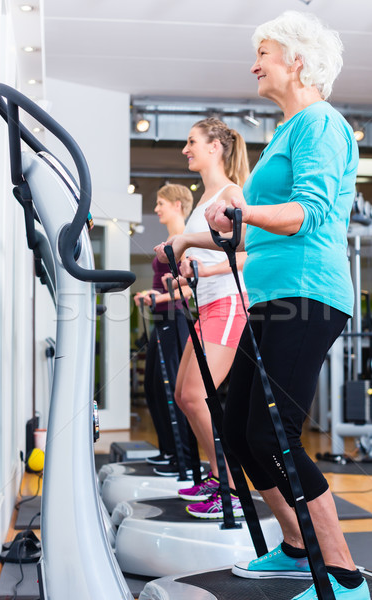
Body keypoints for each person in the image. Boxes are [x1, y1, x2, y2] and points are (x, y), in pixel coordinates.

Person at [156, 11, 370, 600]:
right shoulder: (286, 131)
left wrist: (241, 213)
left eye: (265, 54)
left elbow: (309, 212)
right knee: (236, 426)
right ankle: (298, 548)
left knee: (272, 434)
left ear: (296, 61)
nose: (256, 65)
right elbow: (254, 234)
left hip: (309, 293)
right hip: (272, 295)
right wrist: (188, 240)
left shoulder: (321, 125)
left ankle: (344, 575)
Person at [154, 117, 250, 518]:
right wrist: (186, 271)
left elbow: (248, 250)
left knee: (196, 395)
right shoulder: (205, 196)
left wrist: (204, 268)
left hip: (229, 305)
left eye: (192, 141)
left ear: (215, 147)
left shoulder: (231, 193)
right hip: (205, 305)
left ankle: (229, 486)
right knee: (182, 396)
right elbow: (205, 254)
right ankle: (217, 477)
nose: (185, 149)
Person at [134, 184, 194, 475]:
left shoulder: (185, 240)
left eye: (160, 203)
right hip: (161, 318)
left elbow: (190, 288)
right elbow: (167, 285)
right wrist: (152, 293)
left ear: (178, 205)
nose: (156, 208)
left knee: (172, 390)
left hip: (175, 318)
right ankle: (169, 452)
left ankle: (181, 458)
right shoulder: (170, 239)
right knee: (154, 387)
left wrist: (158, 297)